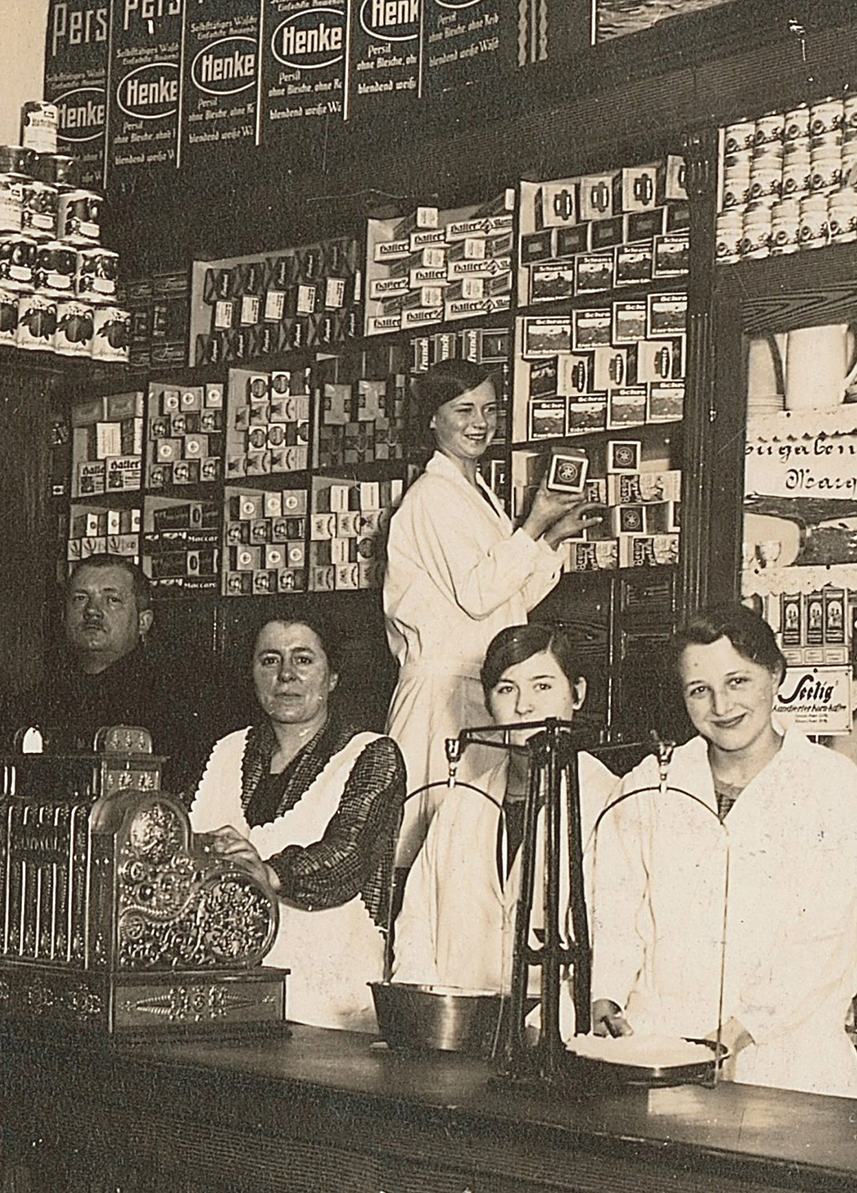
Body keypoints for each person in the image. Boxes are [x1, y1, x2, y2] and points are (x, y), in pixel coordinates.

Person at [590, 604, 857, 1099]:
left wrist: (739, 1029)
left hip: (788, 1063)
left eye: (738, 681)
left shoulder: (833, 788)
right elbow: (614, 910)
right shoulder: (647, 783)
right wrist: (605, 995)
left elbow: (829, 939)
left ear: (776, 675)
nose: (721, 706)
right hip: (660, 1055)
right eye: (699, 690)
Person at [383, 362, 597, 865]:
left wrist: (551, 539)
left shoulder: (476, 494)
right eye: (464, 410)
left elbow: (511, 599)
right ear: (433, 420)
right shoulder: (431, 496)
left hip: (486, 693)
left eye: (489, 409)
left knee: (474, 848)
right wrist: (533, 524)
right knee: (425, 851)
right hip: (440, 699)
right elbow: (479, 593)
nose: (479, 422)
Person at [190, 613, 405, 1032]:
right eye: (269, 660)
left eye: (303, 660)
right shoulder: (227, 751)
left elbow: (346, 858)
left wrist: (266, 872)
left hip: (328, 1011)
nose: (285, 675)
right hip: (230, 996)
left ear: (332, 677)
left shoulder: (373, 755)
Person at [392, 625, 620, 997]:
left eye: (543, 686)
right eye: (506, 689)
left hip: (552, 1031)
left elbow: (615, 947)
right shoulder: (461, 803)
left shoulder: (609, 801)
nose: (523, 706)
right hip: (458, 1027)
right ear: (487, 702)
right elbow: (417, 921)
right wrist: (428, 1010)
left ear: (577, 694)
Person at [0, 554, 229, 792]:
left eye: (112, 600)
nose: (92, 611)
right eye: (80, 598)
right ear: (63, 616)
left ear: (143, 622)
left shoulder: (178, 704)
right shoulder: (31, 705)